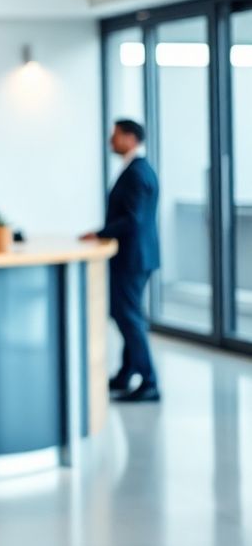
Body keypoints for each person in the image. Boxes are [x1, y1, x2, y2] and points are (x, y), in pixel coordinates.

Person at [83, 119, 161, 403]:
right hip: (139, 256)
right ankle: (127, 373)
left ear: (130, 138)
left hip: (132, 257)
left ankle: (149, 381)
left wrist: (100, 233)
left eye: (115, 136)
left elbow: (132, 219)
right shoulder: (139, 169)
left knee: (128, 317)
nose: (110, 141)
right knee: (128, 315)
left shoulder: (136, 173)